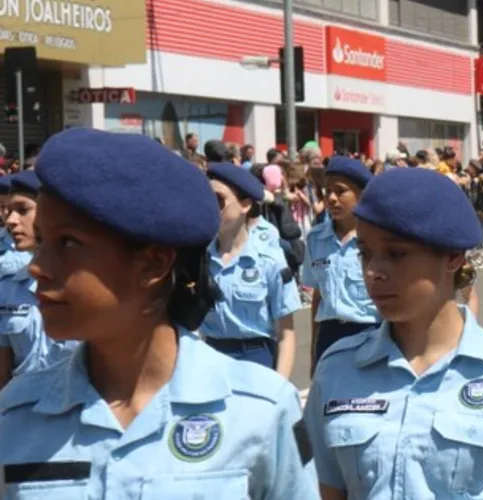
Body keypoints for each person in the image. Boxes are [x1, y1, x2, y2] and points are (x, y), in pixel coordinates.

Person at [0, 128, 318, 498]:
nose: (38, 268)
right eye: (43, 241)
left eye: (68, 243)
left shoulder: (259, 412)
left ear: (153, 264)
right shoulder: (17, 414)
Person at [304, 167, 483, 499]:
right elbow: (328, 491)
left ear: (453, 257)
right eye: (365, 254)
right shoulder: (337, 371)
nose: (372, 271)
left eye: (396, 254)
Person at [200, 163, 302, 376]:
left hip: (255, 358)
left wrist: (279, 388)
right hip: (210, 357)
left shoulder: (269, 261)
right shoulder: (200, 259)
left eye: (219, 200)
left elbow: (286, 333)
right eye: (205, 200)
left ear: (245, 205)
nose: (210, 208)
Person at [0, 171, 77, 390]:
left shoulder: (83, 284)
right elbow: (2, 369)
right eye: (8, 211)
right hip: (24, 410)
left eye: (23, 210)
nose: (11, 221)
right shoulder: (8, 288)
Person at [302, 157, 379, 371]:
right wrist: (314, 349)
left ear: (361, 194)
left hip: (370, 331)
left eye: (341, 191)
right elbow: (319, 296)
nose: (332, 199)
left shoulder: (376, 238)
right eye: (327, 192)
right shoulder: (316, 239)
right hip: (330, 334)